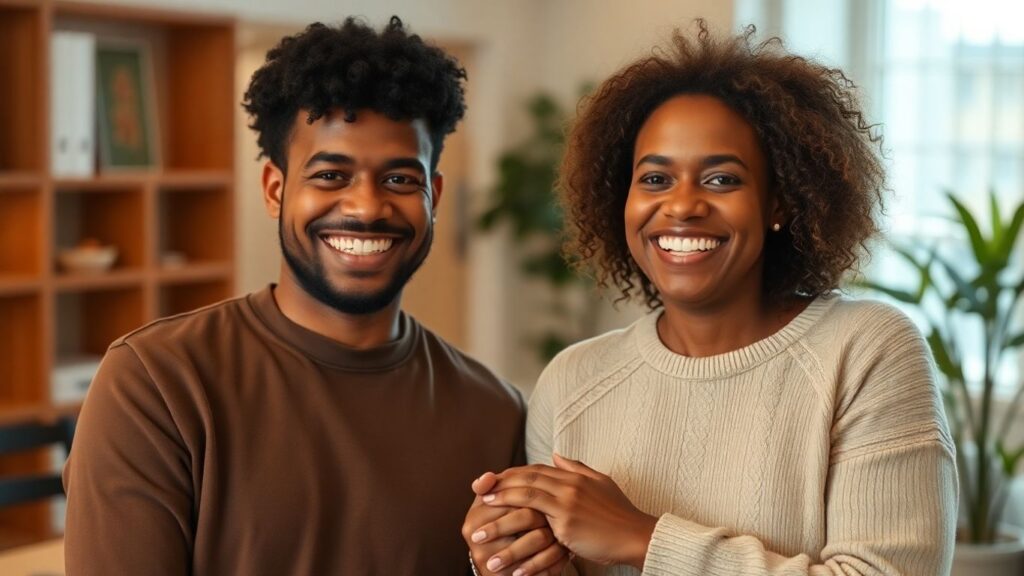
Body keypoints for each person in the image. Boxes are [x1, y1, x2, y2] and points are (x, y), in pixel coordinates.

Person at [463, 21, 957, 575]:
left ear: (780, 203)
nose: (682, 206)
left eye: (722, 180)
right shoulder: (573, 380)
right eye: (654, 179)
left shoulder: (866, 350)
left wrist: (643, 537)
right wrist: (514, 560)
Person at [63, 17, 530, 575]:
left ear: (434, 194)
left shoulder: (495, 412)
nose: (365, 207)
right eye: (331, 175)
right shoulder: (157, 384)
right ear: (275, 189)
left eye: (400, 180)